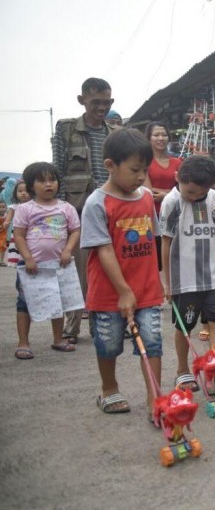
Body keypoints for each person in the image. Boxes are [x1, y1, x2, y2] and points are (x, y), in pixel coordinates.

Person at [81, 128, 163, 418]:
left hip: (147, 289)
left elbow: (154, 238)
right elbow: (103, 250)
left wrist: (157, 280)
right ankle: (109, 389)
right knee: (109, 343)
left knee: (152, 341)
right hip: (109, 293)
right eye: (134, 170)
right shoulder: (97, 203)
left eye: (145, 170)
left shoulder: (144, 198)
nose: (141, 177)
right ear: (110, 166)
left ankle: (155, 398)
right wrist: (124, 291)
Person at [159, 155, 215, 400]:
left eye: (198, 193)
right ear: (178, 179)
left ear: (210, 187)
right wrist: (167, 283)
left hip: (213, 277)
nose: (192, 197)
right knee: (184, 326)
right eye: (189, 191)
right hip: (185, 280)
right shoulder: (172, 202)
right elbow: (165, 242)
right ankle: (183, 370)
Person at [52, 77, 117, 342]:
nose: (101, 107)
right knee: (77, 273)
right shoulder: (66, 129)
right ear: (82, 100)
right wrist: (60, 209)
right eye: (95, 102)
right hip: (76, 210)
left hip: (108, 208)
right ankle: (72, 328)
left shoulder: (114, 133)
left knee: (107, 269)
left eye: (106, 102)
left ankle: (102, 326)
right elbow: (57, 168)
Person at [12, 162, 82, 359]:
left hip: (59, 265)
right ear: (31, 185)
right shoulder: (25, 209)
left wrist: (68, 250)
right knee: (24, 303)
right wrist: (27, 258)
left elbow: (75, 230)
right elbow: (18, 235)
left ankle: (58, 338)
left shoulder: (66, 208)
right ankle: (23, 342)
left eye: (52, 180)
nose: (49, 184)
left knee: (57, 301)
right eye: (42, 181)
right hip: (31, 266)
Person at [144, 121, 182, 271]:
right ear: (149, 138)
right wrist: (172, 192)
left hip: (177, 213)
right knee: (159, 257)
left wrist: (164, 194)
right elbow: (148, 192)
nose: (160, 138)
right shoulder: (145, 163)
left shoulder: (177, 162)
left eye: (164, 135)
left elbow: (185, 189)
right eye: (156, 135)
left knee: (177, 254)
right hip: (155, 215)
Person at [5, 180, 31, 266]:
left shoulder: (33, 205)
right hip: (17, 232)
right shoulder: (14, 206)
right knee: (18, 247)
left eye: (26, 191)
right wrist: (6, 222)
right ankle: (18, 262)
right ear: (15, 193)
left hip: (30, 231)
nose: (23, 193)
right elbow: (9, 217)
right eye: (20, 191)